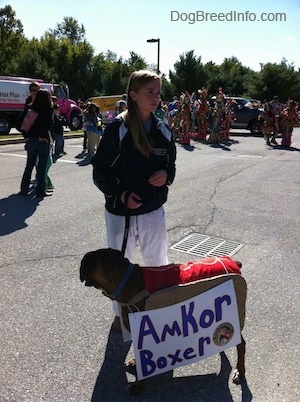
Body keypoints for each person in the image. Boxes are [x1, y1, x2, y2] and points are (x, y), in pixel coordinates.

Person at [92, 70, 177, 332]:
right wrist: (120, 194)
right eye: (149, 92)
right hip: (121, 215)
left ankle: (158, 310)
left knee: (157, 263)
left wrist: (166, 175)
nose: (156, 97)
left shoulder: (163, 130)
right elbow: (100, 172)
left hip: (153, 212)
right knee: (120, 267)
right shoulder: (117, 129)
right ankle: (122, 315)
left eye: (158, 92)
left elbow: (171, 166)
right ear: (134, 95)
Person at [20, 88, 53, 198]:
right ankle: (40, 191)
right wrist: (42, 135)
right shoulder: (48, 109)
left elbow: (20, 123)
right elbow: (48, 125)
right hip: (42, 141)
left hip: (32, 140)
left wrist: (27, 136)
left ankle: (24, 189)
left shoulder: (31, 108)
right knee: (42, 168)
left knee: (29, 165)